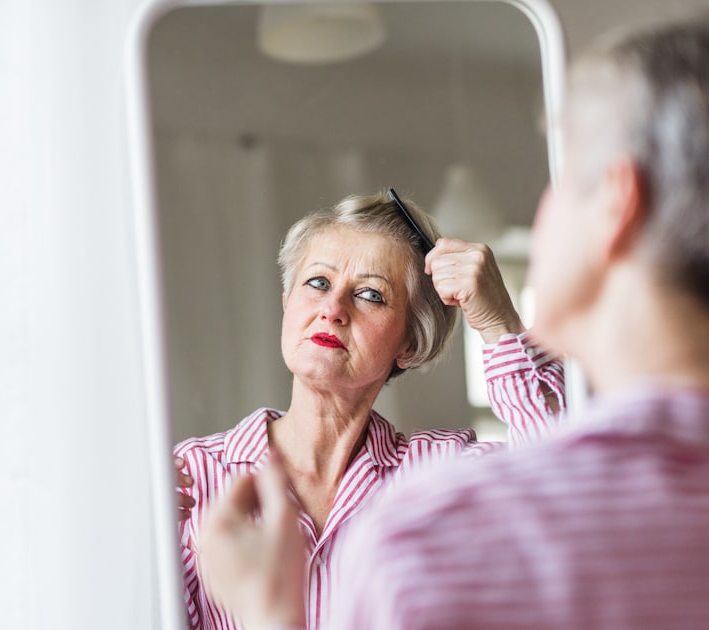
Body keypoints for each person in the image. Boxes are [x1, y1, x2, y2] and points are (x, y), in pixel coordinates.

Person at [195, 7, 709, 629]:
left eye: (562, 179)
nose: (334, 306)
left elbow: (559, 454)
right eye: (317, 282)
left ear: (615, 202)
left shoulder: (435, 527)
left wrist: (269, 617)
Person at [173, 192, 564, 630]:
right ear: (287, 304)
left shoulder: (444, 477)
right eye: (319, 283)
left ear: (410, 344)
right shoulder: (191, 479)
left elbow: (572, 493)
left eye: (370, 295)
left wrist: (499, 324)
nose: (333, 309)